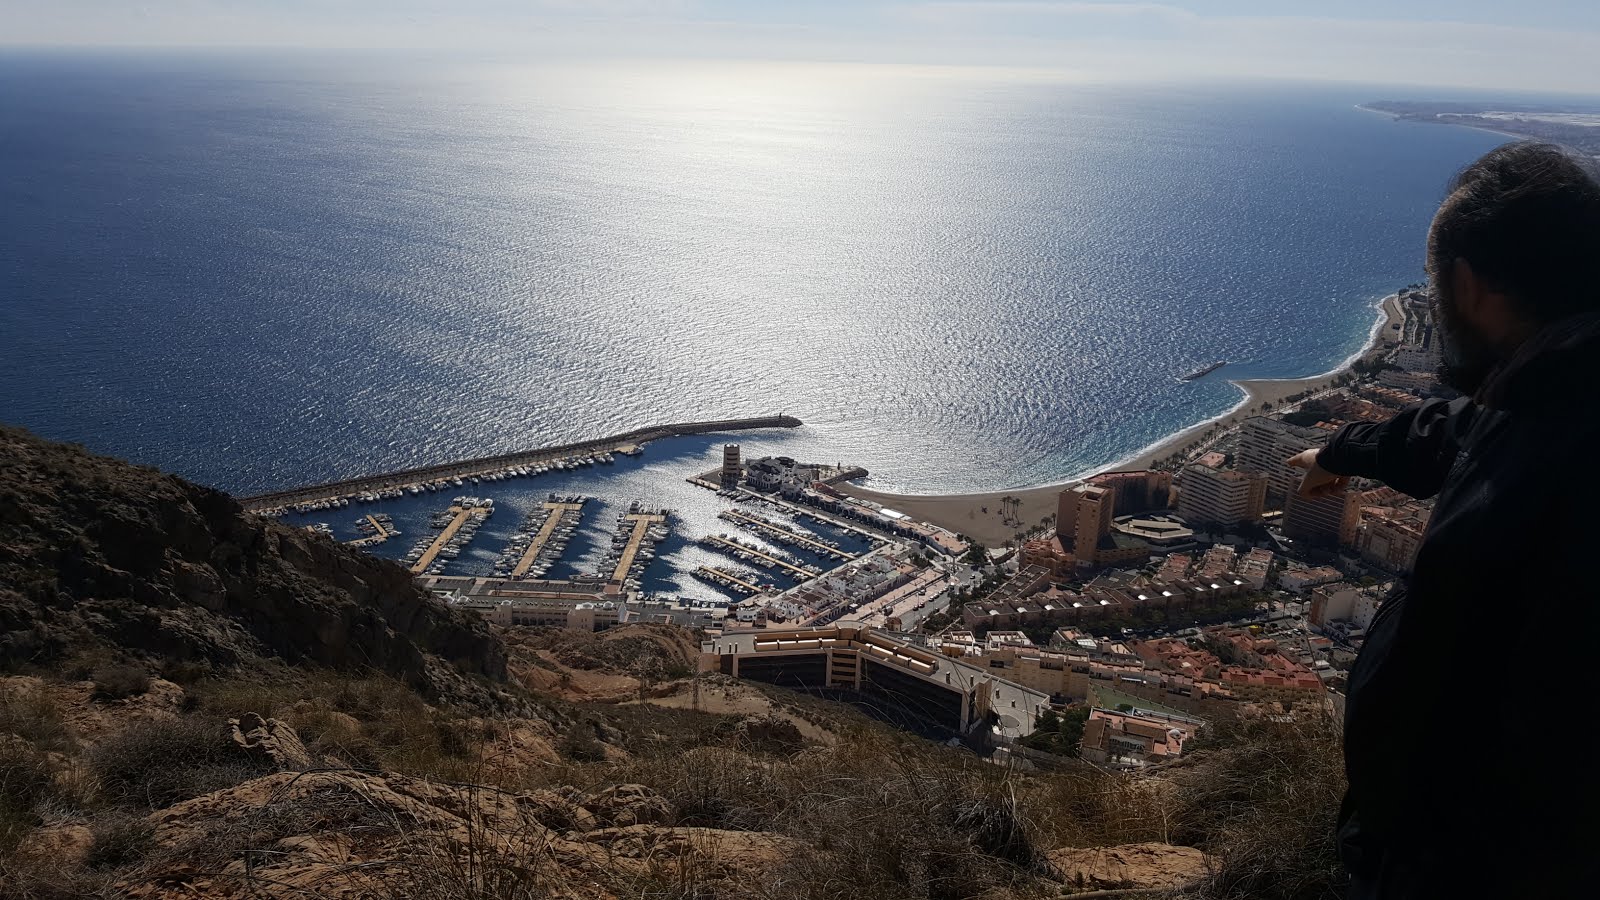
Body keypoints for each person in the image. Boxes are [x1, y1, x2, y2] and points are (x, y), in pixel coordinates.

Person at [1287, 142, 1600, 897]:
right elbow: (1460, 428)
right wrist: (1345, 449)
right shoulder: (1554, 396)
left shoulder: (1544, 466)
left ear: (1467, 285)